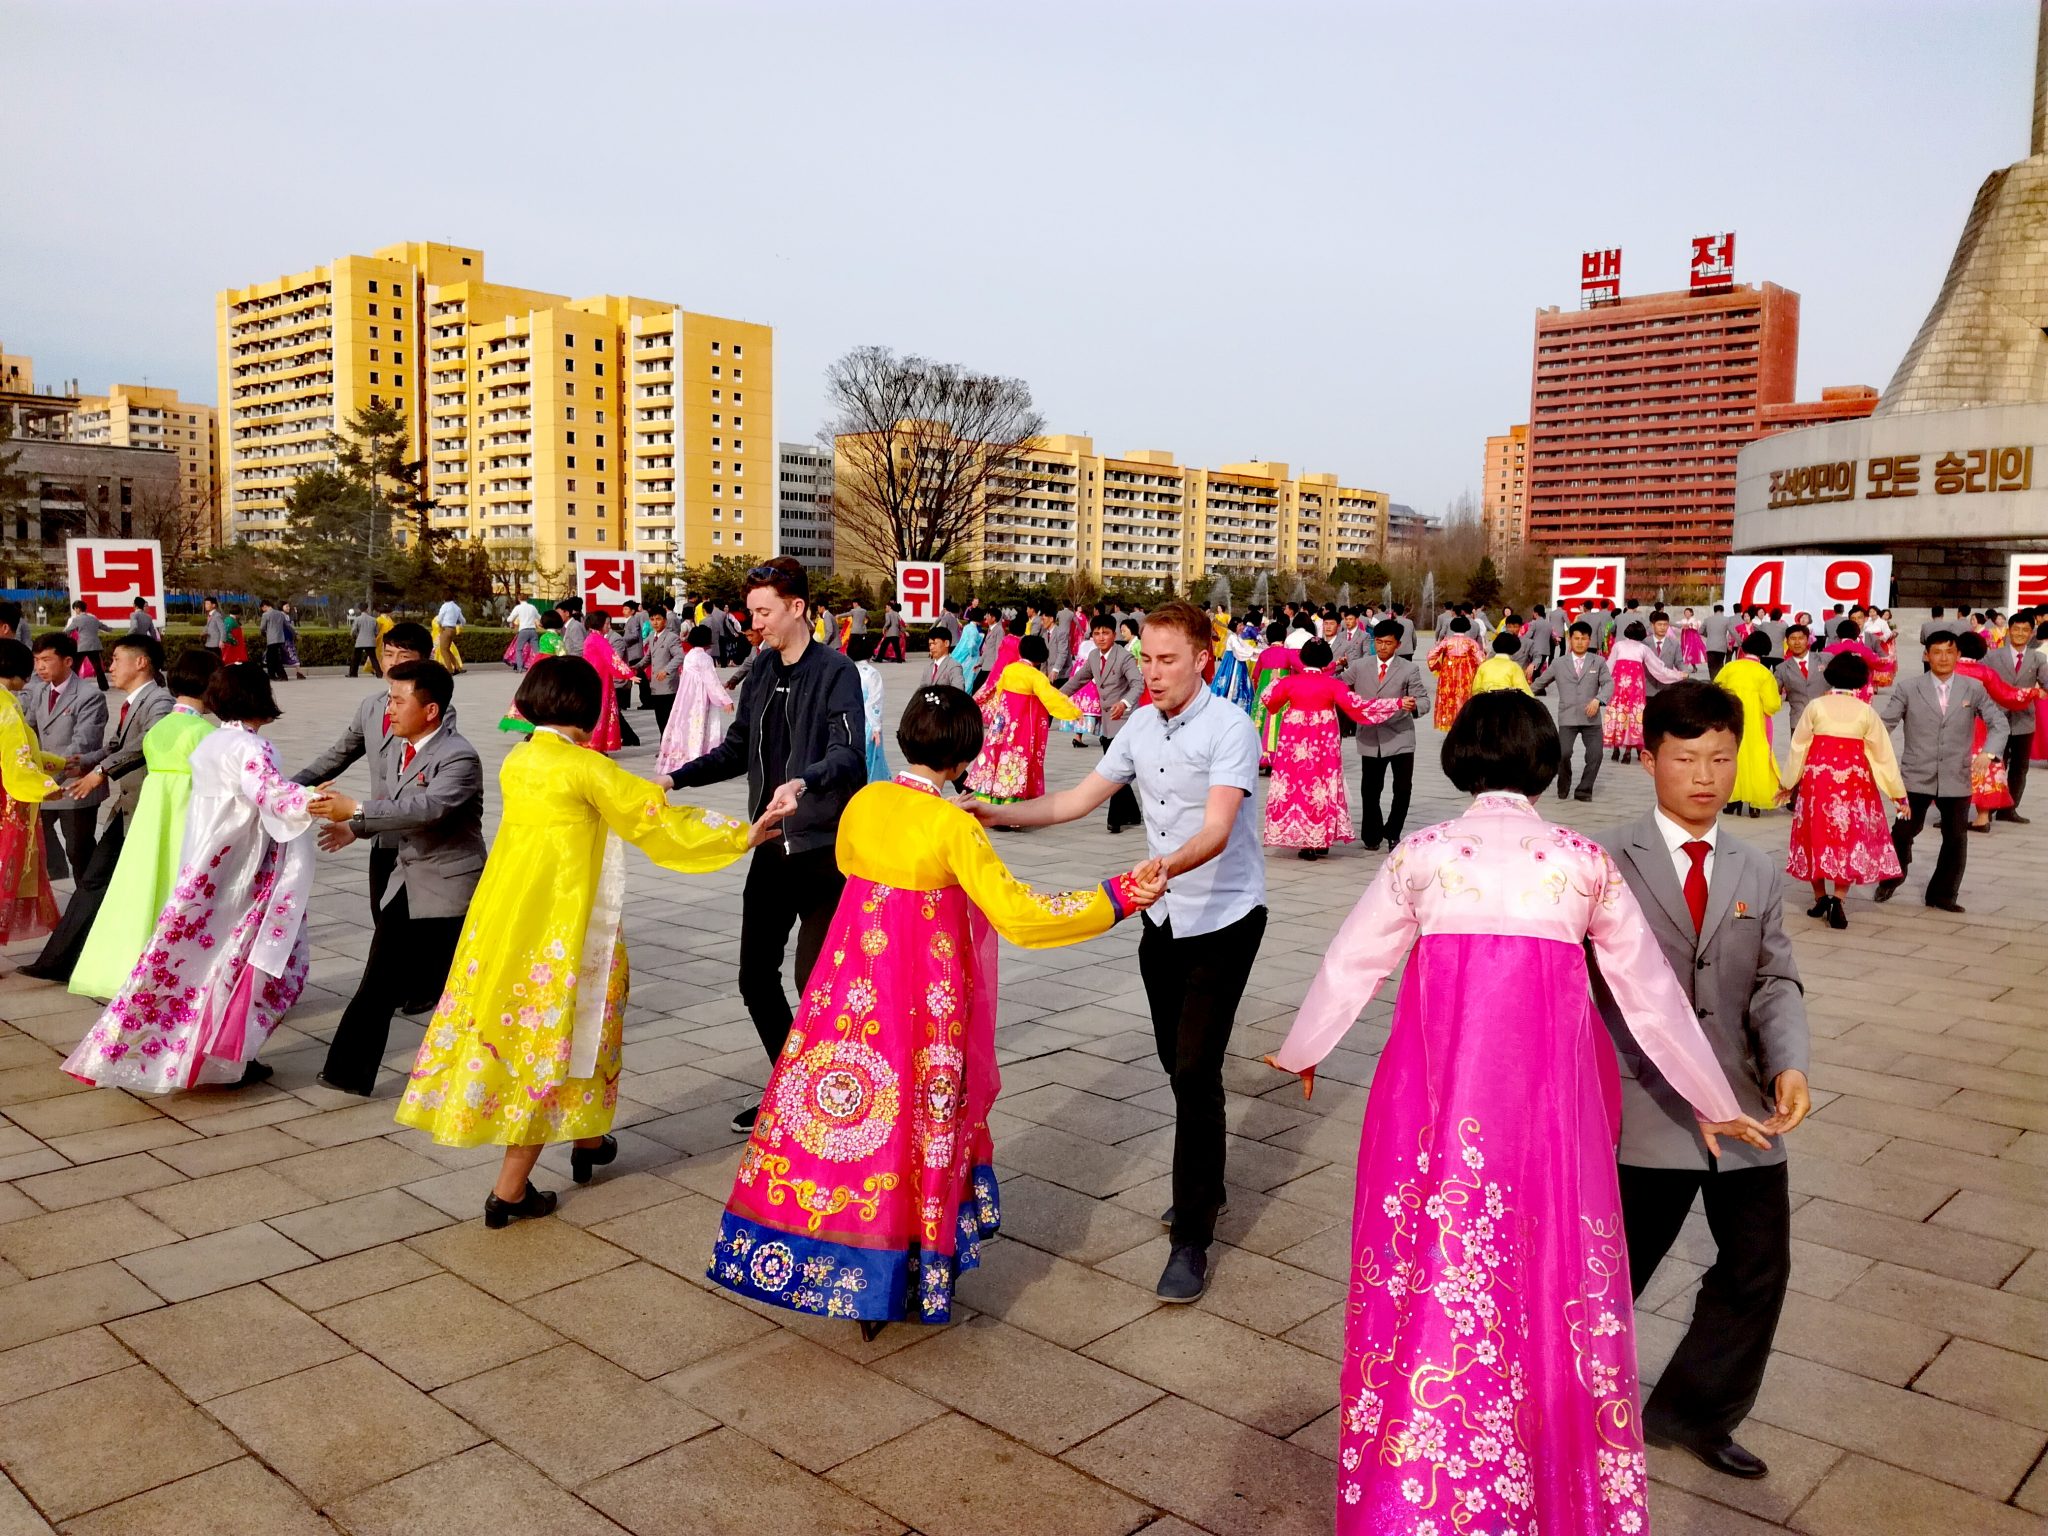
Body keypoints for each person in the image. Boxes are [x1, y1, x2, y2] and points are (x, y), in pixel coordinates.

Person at [1263, 691, 1767, 1531]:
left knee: (1430, 1268)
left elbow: (1353, 963)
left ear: (1462, 758)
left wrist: (1306, 1046)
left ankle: (1419, 1479)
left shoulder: (1422, 857)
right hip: (1548, 1117)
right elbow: (1650, 998)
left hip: (1433, 1102)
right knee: (1548, 1276)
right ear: (1545, 761)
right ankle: (1548, 1473)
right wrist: (1710, 1099)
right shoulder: (1581, 862)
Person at [709, 686, 1163, 1334]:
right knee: (920, 1119)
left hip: (849, 986)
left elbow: (846, 863)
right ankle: (909, 1259)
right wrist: (1115, 896)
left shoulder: (866, 801)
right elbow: (1021, 915)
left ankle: (838, 1253)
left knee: (849, 1113)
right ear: (962, 758)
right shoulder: (953, 825)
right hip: (924, 997)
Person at [395, 656, 771, 1225]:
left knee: (573, 1029)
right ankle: (511, 1189)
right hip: (566, 932)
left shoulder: (520, 760)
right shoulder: (582, 768)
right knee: (561, 1038)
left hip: (507, 921)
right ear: (589, 708)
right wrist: (744, 834)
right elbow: (656, 820)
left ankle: (590, 1139)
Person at [974, 602, 1266, 1302]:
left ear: (1203, 658)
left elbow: (1220, 828)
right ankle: (1211, 1178)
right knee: (1177, 1066)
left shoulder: (1232, 726)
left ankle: (1191, 1235)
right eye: (1147, 660)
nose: (1153, 672)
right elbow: (1075, 799)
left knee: (1196, 1070)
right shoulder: (1138, 725)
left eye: (1168, 660)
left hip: (1225, 917)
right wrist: (995, 810)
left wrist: (1169, 863)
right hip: (1160, 917)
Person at [1595, 681, 1809, 1482]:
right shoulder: (1604, 862)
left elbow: (1774, 983)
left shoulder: (1755, 862)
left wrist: (1790, 1064)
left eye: (1722, 757)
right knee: (1613, 1273)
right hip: (1641, 1107)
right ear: (1649, 757)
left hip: (1744, 1107)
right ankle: (1563, 1405)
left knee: (1759, 1267)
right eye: (1686, 758)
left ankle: (1695, 1410)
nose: (1706, 776)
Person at [664, 557, 866, 1134]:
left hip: (825, 848)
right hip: (771, 844)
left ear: (797, 607)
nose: (755, 624)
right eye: (751, 613)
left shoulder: (835, 672)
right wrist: (674, 778)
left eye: (764, 612)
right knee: (755, 976)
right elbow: (735, 749)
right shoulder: (759, 671)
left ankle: (835, 1099)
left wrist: (805, 781)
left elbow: (849, 753)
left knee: (818, 984)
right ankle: (790, 1088)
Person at [61, 665, 321, 1093]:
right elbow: (272, 796)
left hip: (203, 864)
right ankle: (225, 1055)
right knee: (242, 959)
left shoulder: (214, 742)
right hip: (241, 870)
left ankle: (186, 1054)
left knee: (193, 959)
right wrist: (318, 799)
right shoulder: (252, 748)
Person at [306, 662, 485, 1096]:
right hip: (407, 883)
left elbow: (426, 809)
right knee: (380, 978)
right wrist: (355, 826)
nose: (388, 710)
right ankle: (347, 1072)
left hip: (449, 888)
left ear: (430, 710)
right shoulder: (402, 749)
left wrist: (357, 812)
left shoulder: (457, 755)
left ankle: (481, 1069)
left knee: (462, 986)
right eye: (389, 699)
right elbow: (398, 806)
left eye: (398, 701)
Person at [21, 636, 174, 983]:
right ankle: (62, 960)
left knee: (98, 877)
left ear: (141, 662)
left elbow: (146, 743)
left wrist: (98, 773)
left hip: (144, 807)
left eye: (117, 659)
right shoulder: (137, 700)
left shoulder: (159, 701)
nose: (110, 666)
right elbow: (116, 745)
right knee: (95, 879)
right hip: (128, 807)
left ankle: (71, 959)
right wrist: (84, 762)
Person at [67, 650, 218, 999]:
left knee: (140, 895)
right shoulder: (205, 735)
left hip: (150, 823)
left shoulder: (160, 727)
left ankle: (126, 970)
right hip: (186, 822)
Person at [289, 622, 440, 920]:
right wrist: (287, 788)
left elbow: (420, 797)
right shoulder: (371, 707)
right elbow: (338, 755)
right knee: (381, 918)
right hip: (381, 841)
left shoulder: (434, 713)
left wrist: (356, 821)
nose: (394, 663)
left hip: (419, 844)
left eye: (404, 656)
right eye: (388, 654)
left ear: (426, 659)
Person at [1877, 631, 2008, 913]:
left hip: (1956, 775)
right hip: (1915, 774)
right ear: (1926, 655)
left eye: (1950, 651)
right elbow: (1884, 724)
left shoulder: (1972, 689)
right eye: (1937, 652)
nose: (1944, 658)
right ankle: (1893, 875)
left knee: (1956, 837)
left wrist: (1988, 752)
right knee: (1902, 830)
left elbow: (1999, 723)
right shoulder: (1909, 688)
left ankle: (1943, 894)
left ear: (1958, 655)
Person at [1780, 652, 1906, 927]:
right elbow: (1882, 755)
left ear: (1829, 676)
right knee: (1847, 837)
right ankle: (1838, 899)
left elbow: (1798, 746)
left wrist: (1788, 782)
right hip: (1853, 784)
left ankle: (1818, 898)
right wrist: (1896, 792)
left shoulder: (1815, 707)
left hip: (1818, 781)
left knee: (1815, 832)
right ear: (1862, 681)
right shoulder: (1866, 711)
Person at [1261, 637, 1412, 859]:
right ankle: (1321, 839)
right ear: (1326, 660)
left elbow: (1270, 703)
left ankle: (1305, 841)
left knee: (1296, 784)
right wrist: (1397, 703)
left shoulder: (1290, 683)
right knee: (1321, 785)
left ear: (1302, 658)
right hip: (1324, 743)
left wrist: (1274, 681)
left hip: (1294, 744)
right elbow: (1360, 707)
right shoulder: (1333, 684)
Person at [24, 632, 108, 881]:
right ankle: (57, 874)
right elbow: (29, 730)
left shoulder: (89, 696)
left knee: (78, 850)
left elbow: (82, 745)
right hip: (45, 783)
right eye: (37, 659)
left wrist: (50, 779)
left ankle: (91, 900)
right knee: (38, 837)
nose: (40, 666)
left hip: (74, 786)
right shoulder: (39, 691)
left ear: (68, 661)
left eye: (47, 660)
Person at [1341, 619, 1430, 848]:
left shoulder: (1409, 668)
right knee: (1370, 789)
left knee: (1402, 788)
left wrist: (1415, 705)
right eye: (1378, 642)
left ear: (1397, 645)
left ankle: (1393, 831)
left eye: (1388, 643)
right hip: (1370, 737)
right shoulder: (1360, 666)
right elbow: (1338, 685)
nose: (1382, 647)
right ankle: (1371, 834)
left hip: (1400, 736)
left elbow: (1424, 699)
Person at [965, 633, 1080, 803]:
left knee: (995, 756)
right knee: (1015, 761)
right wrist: (1074, 712)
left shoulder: (1009, 670)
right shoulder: (1036, 677)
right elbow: (1052, 699)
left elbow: (998, 694)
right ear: (1041, 656)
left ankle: (987, 799)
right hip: (1021, 728)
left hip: (1001, 725)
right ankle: (1010, 803)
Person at [0, 639, 63, 948]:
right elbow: (18, 760)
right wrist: (48, 786)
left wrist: (61, 763)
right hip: (7, 799)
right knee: (5, 873)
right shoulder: (6, 706)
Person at [1533, 620, 1613, 802]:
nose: (1579, 642)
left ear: (1589, 640)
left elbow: (1608, 683)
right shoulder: (1559, 663)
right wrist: (1522, 694)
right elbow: (1540, 682)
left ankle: (1584, 789)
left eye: (1583, 639)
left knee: (1596, 755)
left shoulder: (1598, 661)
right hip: (1567, 717)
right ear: (1570, 639)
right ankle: (1564, 780)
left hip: (1591, 717)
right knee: (1563, 753)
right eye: (1576, 638)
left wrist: (1599, 699)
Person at [1985, 609, 2045, 822]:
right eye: (2016, 629)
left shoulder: (2038, 658)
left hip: (2023, 720)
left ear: (2031, 633)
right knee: (1994, 764)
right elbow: (1979, 683)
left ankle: (2009, 808)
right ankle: (1988, 807)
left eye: (2025, 630)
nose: (2020, 633)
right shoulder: (1992, 656)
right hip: (1996, 719)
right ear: (2009, 631)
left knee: (2020, 767)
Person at [1714, 632, 1784, 816]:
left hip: (1729, 721)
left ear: (1744, 647)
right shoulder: (1764, 673)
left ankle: (1732, 800)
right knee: (1757, 759)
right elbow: (1772, 704)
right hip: (1756, 724)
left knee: (1732, 756)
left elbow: (1715, 692)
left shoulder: (1730, 667)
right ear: (1765, 651)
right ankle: (1754, 804)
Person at [654, 623, 735, 773]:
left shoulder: (690, 655)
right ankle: (702, 758)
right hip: (699, 697)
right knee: (701, 724)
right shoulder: (704, 658)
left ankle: (682, 757)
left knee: (685, 725)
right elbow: (711, 681)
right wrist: (725, 700)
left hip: (686, 697)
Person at [1605, 620, 1687, 763]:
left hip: (1619, 688)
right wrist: (1678, 675)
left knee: (1618, 713)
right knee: (1633, 716)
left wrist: (1602, 684)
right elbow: (1658, 668)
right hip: (1635, 689)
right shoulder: (1643, 649)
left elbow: (1609, 666)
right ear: (1642, 634)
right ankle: (1628, 752)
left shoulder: (1618, 646)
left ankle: (1616, 748)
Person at [578, 610, 639, 753]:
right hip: (601, 681)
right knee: (602, 713)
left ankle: (594, 744)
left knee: (595, 712)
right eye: (607, 623)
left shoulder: (590, 638)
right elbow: (613, 659)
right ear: (599, 624)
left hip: (593, 679)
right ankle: (596, 745)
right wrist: (628, 674)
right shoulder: (599, 640)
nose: (609, 626)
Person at [1424, 615, 1485, 729]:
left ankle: (1450, 723)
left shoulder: (1447, 641)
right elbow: (1481, 660)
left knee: (1449, 697)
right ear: (1467, 627)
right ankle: (1465, 723)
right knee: (1465, 697)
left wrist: (1438, 666)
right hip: (1466, 675)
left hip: (1448, 675)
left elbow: (1431, 655)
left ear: (1452, 627)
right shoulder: (1471, 643)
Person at [849, 633, 889, 781]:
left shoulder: (847, 669)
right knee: (870, 762)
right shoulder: (871, 673)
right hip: (867, 724)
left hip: (850, 721)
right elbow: (874, 702)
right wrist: (876, 727)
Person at [644, 607, 682, 735]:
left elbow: (679, 656)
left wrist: (666, 670)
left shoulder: (672, 637)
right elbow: (648, 657)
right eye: (652, 619)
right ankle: (664, 745)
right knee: (660, 718)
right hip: (655, 684)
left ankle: (669, 747)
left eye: (658, 619)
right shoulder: (651, 636)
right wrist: (634, 668)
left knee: (668, 718)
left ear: (665, 621)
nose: (655, 622)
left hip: (668, 684)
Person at [1471, 629, 1534, 695]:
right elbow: (1524, 690)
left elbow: (1476, 689)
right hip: (1506, 702)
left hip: (1486, 702)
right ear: (1514, 649)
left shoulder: (1484, 666)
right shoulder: (1514, 667)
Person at [65, 602, 107, 691]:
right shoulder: (93, 619)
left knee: (75, 667)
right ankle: (103, 686)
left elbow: (68, 630)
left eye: (75, 609)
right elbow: (104, 627)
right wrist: (111, 630)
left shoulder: (76, 619)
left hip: (82, 646)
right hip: (94, 645)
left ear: (78, 609)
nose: (75, 611)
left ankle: (71, 685)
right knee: (98, 667)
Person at [922, 627, 966, 693]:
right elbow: (921, 691)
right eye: (930, 644)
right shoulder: (928, 668)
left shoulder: (954, 666)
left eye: (935, 643)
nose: (931, 647)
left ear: (946, 643)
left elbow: (958, 692)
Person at [506, 594, 542, 670]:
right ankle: (540, 666)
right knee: (536, 650)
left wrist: (508, 619)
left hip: (523, 630)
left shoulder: (518, 607)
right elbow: (539, 617)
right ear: (527, 599)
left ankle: (520, 667)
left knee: (519, 649)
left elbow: (510, 619)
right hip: (532, 630)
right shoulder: (532, 607)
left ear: (519, 599)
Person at [257, 599, 289, 680]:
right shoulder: (280, 614)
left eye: (262, 608)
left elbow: (262, 627)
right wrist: (295, 633)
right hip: (280, 638)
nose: (262, 610)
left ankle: (273, 675)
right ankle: (280, 675)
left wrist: (263, 633)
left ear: (264, 606)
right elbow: (287, 625)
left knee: (271, 658)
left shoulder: (266, 615)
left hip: (271, 639)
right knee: (276, 657)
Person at [433, 596, 466, 672]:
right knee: (447, 649)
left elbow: (439, 618)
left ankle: (449, 670)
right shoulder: (457, 607)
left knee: (443, 650)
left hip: (446, 629)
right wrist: (460, 626)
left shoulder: (445, 606)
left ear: (444, 599)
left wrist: (440, 625)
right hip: (453, 629)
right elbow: (463, 620)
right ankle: (457, 667)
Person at [348, 606, 380, 678]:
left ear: (360, 610)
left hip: (360, 641)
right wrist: (373, 636)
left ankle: (353, 673)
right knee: (373, 658)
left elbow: (353, 630)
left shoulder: (357, 619)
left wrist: (354, 636)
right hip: (371, 641)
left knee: (355, 658)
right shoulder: (373, 619)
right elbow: (377, 632)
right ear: (367, 609)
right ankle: (379, 673)